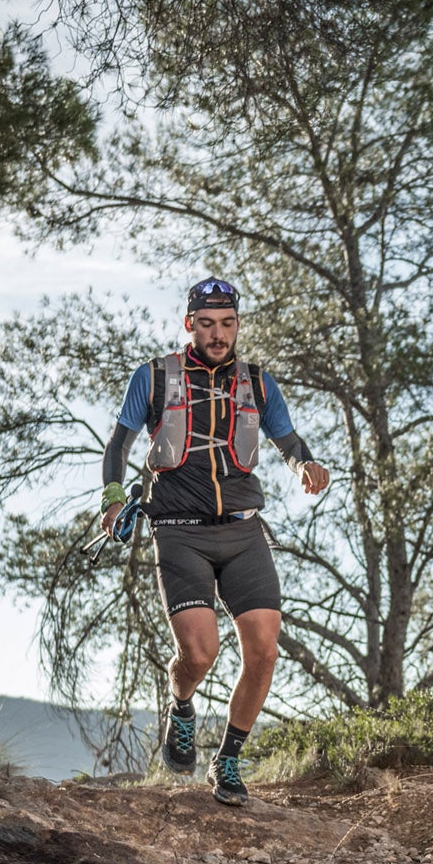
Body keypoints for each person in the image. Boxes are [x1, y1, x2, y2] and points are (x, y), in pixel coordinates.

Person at [100, 278, 330, 803]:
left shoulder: (258, 383)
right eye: (207, 324)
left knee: (265, 651)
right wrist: (113, 497)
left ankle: (228, 759)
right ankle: (181, 706)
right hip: (179, 532)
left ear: (237, 325)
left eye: (227, 324)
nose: (218, 334)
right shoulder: (156, 377)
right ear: (189, 325)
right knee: (200, 655)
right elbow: (119, 442)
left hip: (245, 529)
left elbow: (288, 439)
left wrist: (304, 464)